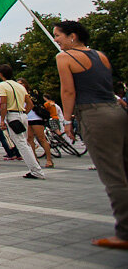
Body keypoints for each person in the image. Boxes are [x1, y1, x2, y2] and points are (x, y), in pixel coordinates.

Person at [54, 20, 128, 249]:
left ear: (72, 36)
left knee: (113, 175)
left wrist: (67, 121)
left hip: (95, 115)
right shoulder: (100, 55)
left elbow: (68, 91)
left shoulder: (64, 58)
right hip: (117, 112)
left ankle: (124, 232)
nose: (56, 39)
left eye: (58, 35)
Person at [0, 65, 44, 179]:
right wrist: (23, 113)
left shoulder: (2, 85)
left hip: (12, 115)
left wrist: (2, 120)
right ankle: (35, 169)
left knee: (21, 144)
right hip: (22, 115)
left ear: (1, 74)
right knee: (25, 142)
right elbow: (30, 104)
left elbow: (3, 103)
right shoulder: (20, 86)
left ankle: (36, 170)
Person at [20, 81, 53, 169]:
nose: (20, 85)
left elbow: (32, 104)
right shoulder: (18, 93)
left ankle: (49, 159)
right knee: (29, 139)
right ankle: (34, 159)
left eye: (21, 83)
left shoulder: (32, 93)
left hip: (35, 117)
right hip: (27, 118)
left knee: (41, 138)